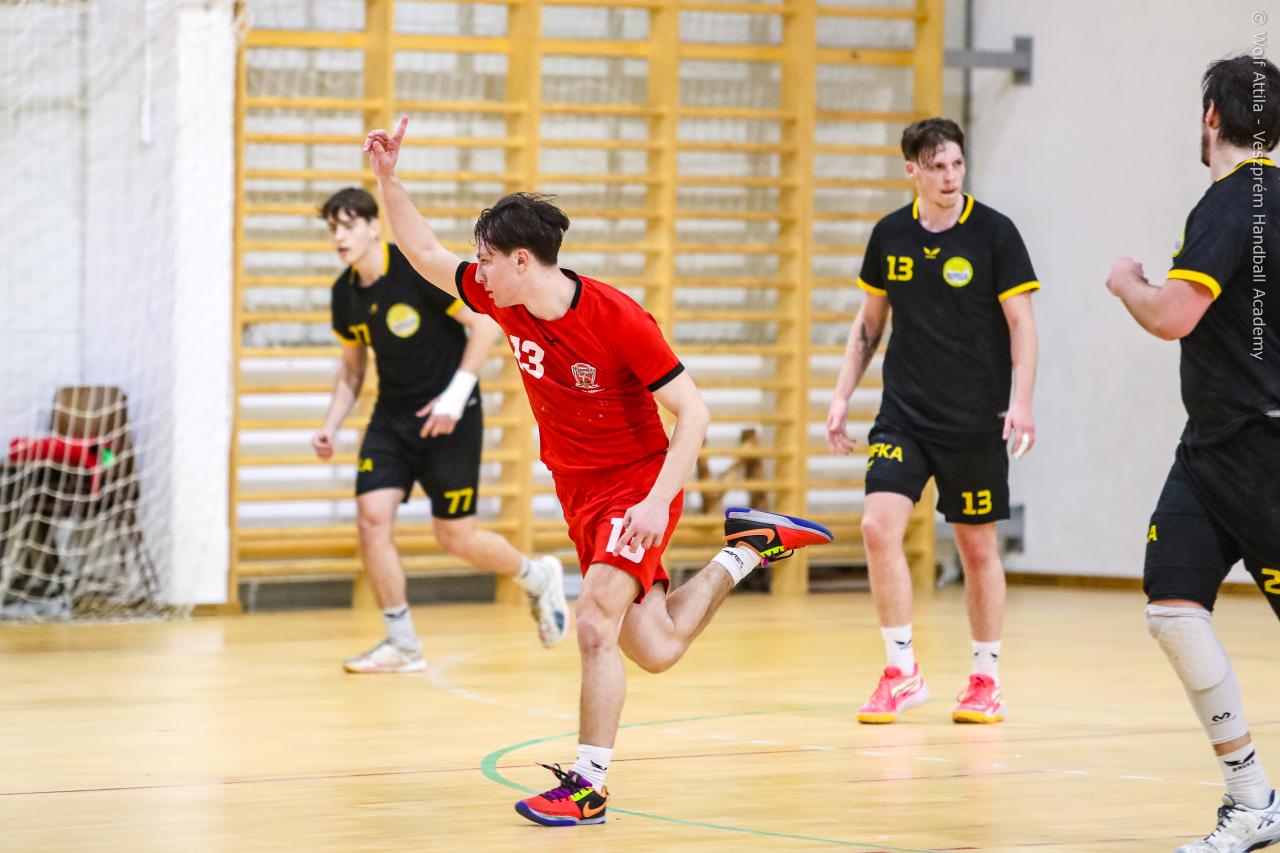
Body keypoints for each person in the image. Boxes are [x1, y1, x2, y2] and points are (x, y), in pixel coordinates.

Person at [362, 118, 833, 826]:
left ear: (522, 261)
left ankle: (588, 785)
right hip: (578, 492)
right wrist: (389, 179)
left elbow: (694, 414)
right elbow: (423, 251)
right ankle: (747, 551)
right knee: (656, 648)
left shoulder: (618, 319)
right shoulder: (502, 298)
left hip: (636, 485)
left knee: (591, 624)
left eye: (485, 259)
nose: (475, 271)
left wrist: (656, 502)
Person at [1106, 55, 1280, 853]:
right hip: (1209, 450)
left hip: (1263, 450)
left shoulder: (1232, 201)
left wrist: (1127, 282)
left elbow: (1173, 314)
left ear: (1212, 117)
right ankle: (1251, 800)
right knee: (1174, 607)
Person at [826, 118, 1041, 725]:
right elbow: (870, 324)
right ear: (912, 171)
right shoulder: (890, 235)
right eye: (937, 167)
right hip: (904, 416)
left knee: (976, 547)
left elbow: (1022, 325)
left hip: (974, 421)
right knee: (877, 527)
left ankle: (985, 678)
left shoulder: (995, 234)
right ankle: (902, 672)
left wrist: (1022, 401)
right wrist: (842, 395)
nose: (950, 177)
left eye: (956, 165)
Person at [313, 187, 569, 674]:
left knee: (456, 538)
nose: (339, 237)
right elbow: (352, 368)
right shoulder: (345, 294)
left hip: (452, 417)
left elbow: (486, 324)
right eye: (332, 228)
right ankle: (402, 643)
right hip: (392, 419)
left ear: (373, 226)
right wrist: (331, 424)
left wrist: (455, 396)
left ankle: (535, 576)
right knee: (371, 520)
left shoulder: (411, 272)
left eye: (348, 225)